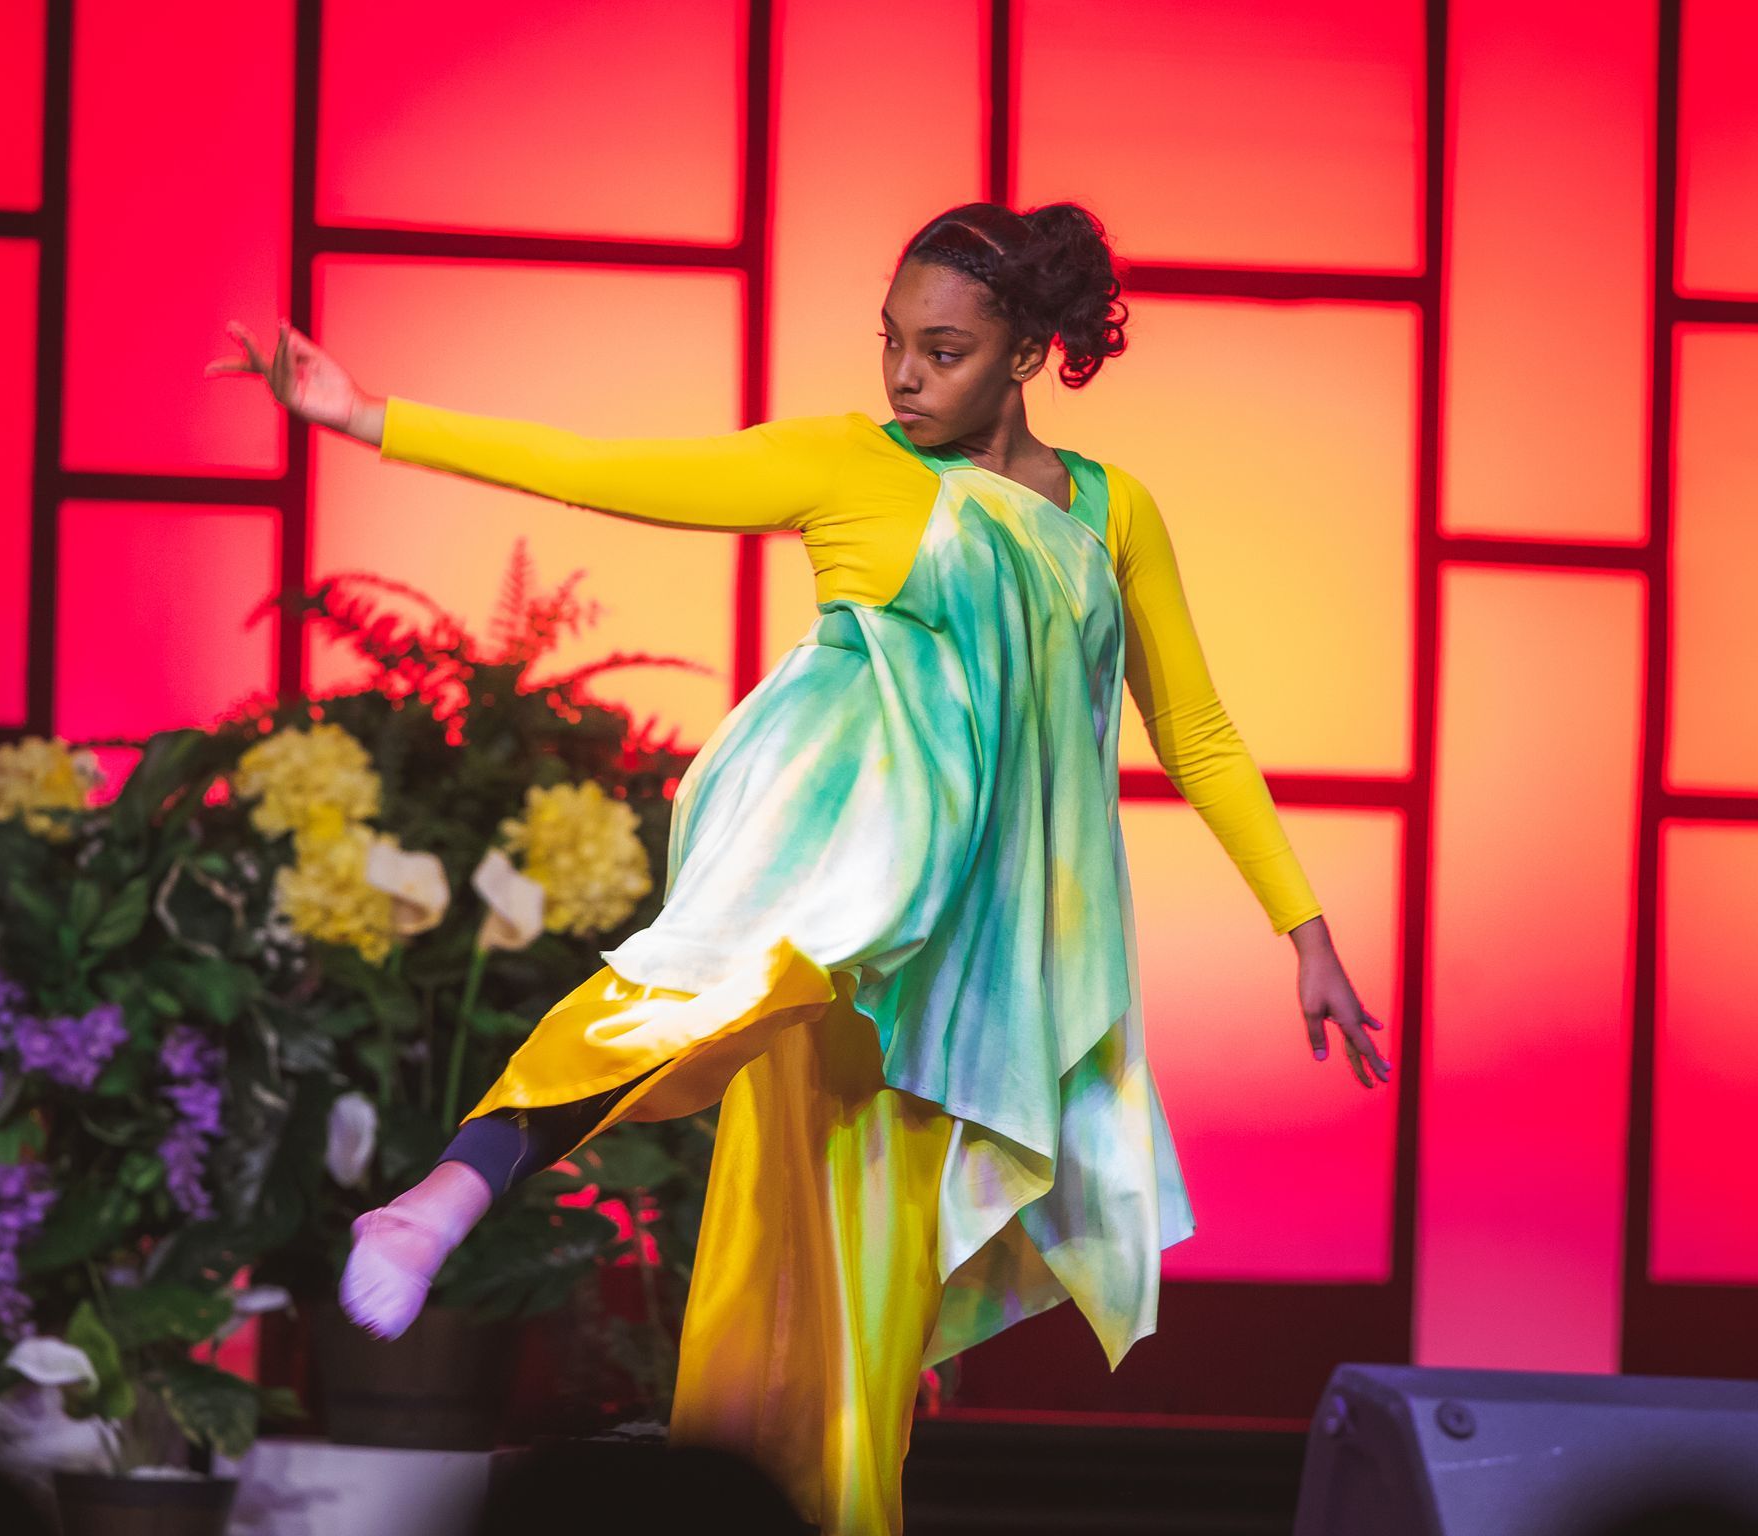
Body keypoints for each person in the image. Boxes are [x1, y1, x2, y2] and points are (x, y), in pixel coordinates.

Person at [207, 198, 1392, 1536]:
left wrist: (1303, 928)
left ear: (1028, 355)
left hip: (961, 980)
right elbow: (604, 469)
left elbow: (1198, 732)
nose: (903, 376)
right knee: (686, 997)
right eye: (890, 341)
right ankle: (444, 1195)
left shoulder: (1115, 512)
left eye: (942, 351)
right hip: (837, 871)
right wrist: (369, 417)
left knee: (855, 1352)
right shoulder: (845, 462)